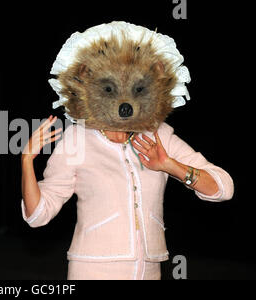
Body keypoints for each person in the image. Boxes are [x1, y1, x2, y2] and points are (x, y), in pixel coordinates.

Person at [21, 22, 234, 280]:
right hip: (94, 268)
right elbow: (38, 215)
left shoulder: (159, 135)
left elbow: (223, 188)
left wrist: (170, 166)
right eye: (110, 89)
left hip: (150, 269)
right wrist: (27, 161)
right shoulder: (77, 138)